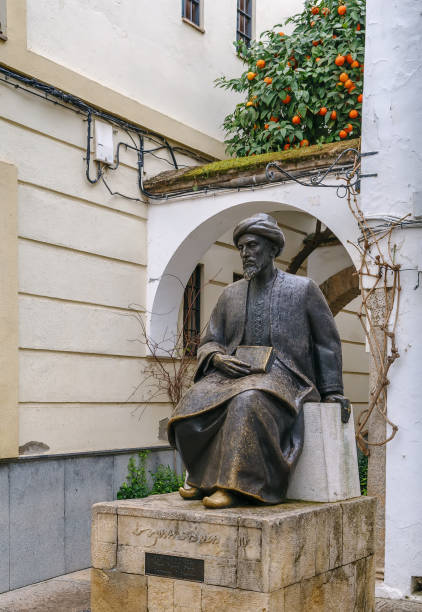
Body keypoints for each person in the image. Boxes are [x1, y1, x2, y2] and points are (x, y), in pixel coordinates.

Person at [168, 213, 346, 509]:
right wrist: (217, 358)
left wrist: (332, 390)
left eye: (252, 246)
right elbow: (210, 340)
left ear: (272, 248)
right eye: (241, 248)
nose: (245, 254)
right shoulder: (230, 295)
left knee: (248, 401)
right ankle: (202, 479)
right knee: (190, 404)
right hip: (232, 374)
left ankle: (235, 485)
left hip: (286, 375)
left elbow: (326, 342)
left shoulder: (303, 290)